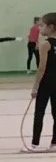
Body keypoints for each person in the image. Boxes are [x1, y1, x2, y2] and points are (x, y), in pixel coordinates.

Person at [28, 13, 56, 148]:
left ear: (51, 27)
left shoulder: (45, 44)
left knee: (39, 112)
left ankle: (35, 143)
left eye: (43, 25)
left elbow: (42, 67)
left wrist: (35, 87)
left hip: (46, 82)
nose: (40, 28)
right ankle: (54, 143)